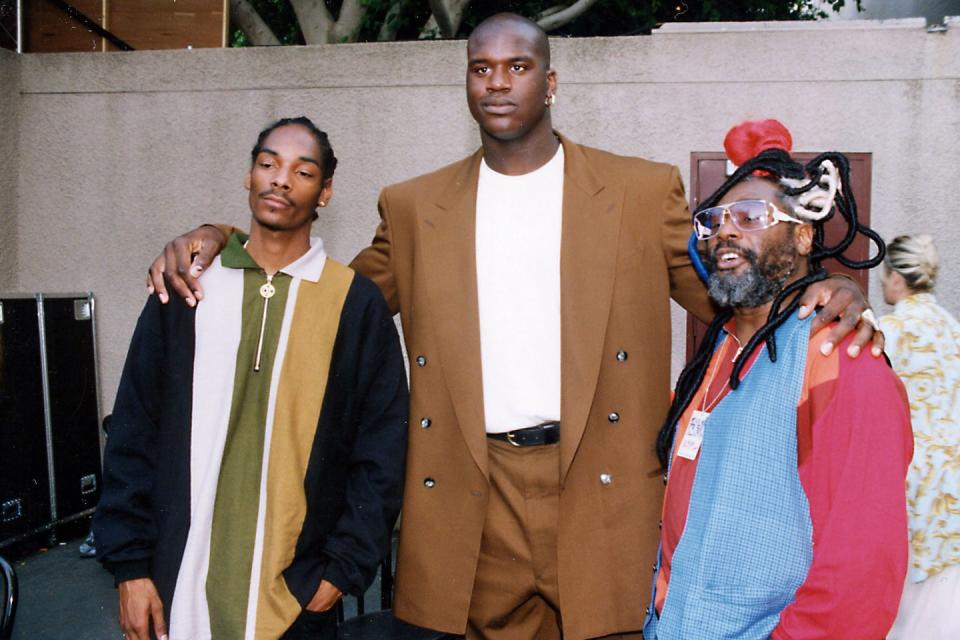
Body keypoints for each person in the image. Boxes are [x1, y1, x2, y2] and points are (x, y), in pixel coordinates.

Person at [145, 16, 881, 639]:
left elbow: (735, 297)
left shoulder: (636, 190)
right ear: (466, 84)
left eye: (518, 66)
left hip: (601, 488)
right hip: (470, 495)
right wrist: (227, 238)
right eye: (481, 68)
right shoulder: (414, 206)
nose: (498, 81)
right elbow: (326, 301)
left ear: (550, 83)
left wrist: (826, 286)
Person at [93, 117, 408, 640]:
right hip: (176, 589)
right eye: (268, 164)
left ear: (325, 191)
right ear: (248, 176)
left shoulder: (353, 304)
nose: (280, 180)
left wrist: (340, 570)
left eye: (302, 172)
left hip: (295, 599)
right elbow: (133, 428)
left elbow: (381, 449)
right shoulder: (187, 287)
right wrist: (130, 567)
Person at [645, 120, 912, 640]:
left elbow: (858, 571)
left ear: (803, 234)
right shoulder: (716, 355)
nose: (725, 230)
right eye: (713, 219)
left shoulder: (841, 354)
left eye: (749, 216)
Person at [880, 235, 960, 640]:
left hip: (910, 476)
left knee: (905, 602)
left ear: (896, 278)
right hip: (954, 476)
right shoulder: (953, 329)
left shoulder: (889, 331)